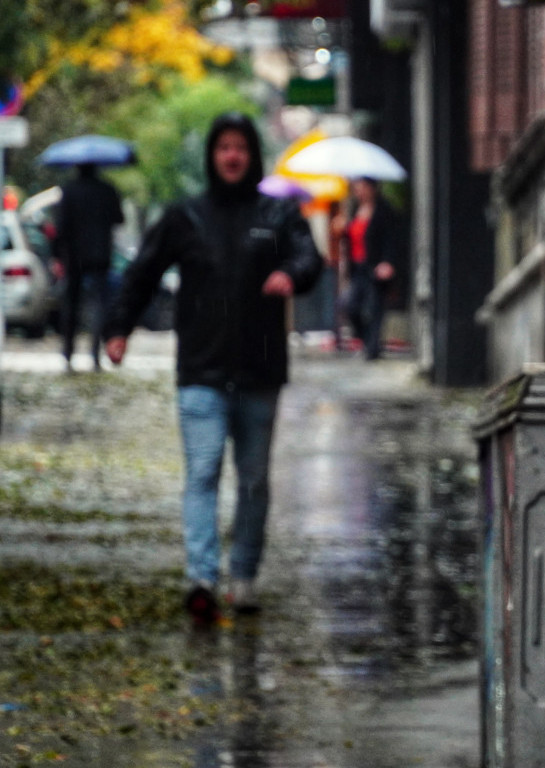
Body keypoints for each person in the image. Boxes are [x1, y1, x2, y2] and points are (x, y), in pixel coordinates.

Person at [104, 112, 324, 625]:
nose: (231, 156)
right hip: (201, 370)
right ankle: (201, 577)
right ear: (212, 155)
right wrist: (118, 328)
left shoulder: (277, 215)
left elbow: (308, 257)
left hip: (259, 370)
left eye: (240, 147)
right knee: (202, 474)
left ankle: (243, 577)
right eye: (222, 147)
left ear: (251, 155)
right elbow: (143, 273)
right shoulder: (186, 216)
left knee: (253, 481)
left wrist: (291, 274)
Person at [55, 163, 124, 372]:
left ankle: (68, 352)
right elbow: (119, 218)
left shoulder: (68, 190)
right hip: (100, 254)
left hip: (74, 256)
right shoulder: (107, 190)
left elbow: (61, 225)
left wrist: (58, 255)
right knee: (100, 305)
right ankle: (95, 352)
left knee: (72, 304)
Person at [335, 177, 399, 360]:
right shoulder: (355, 209)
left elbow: (391, 239)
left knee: (375, 307)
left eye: (362, 187)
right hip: (357, 267)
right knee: (350, 305)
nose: (359, 191)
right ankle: (366, 341)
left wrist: (388, 262)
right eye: (357, 187)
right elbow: (353, 237)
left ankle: (372, 349)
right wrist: (342, 230)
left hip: (375, 266)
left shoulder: (384, 210)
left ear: (372, 188)